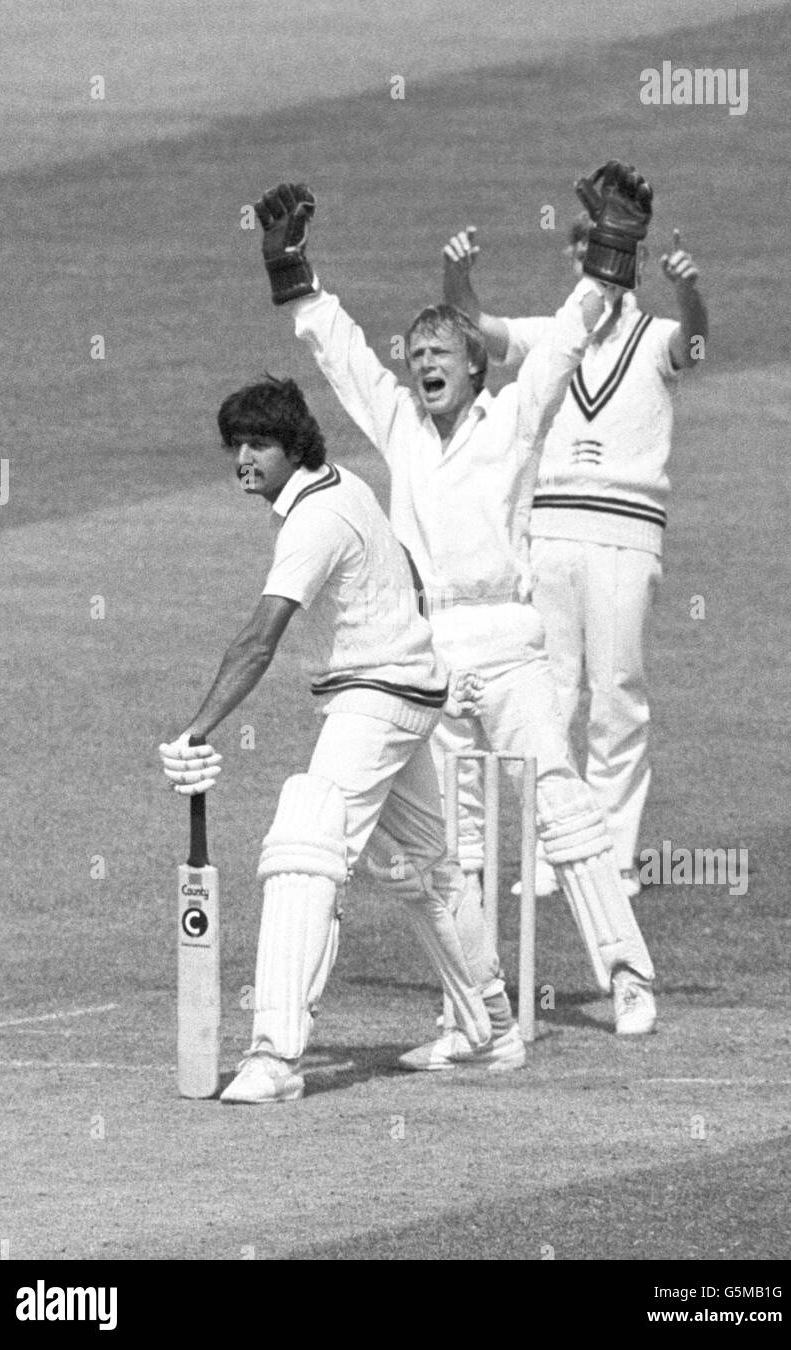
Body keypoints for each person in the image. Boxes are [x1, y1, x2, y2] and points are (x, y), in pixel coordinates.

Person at [254, 180, 657, 1053]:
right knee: (448, 846)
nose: (422, 363)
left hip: (510, 646)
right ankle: (472, 1015)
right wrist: (296, 277)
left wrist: (612, 254)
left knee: (559, 804)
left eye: (439, 351)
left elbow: (562, 344)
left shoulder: (513, 420)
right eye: (416, 353)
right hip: (429, 656)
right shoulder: (399, 427)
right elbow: (345, 358)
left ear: (474, 363)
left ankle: (625, 978)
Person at [159, 374, 527, 1104]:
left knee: (303, 847)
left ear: (294, 445)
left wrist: (197, 729)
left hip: (376, 701)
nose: (244, 458)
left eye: (259, 443)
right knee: (427, 870)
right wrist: (419, 653)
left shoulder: (313, 519)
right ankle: (491, 1031)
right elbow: (409, 573)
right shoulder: (346, 487)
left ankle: (276, 1054)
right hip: (406, 692)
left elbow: (260, 639)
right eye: (236, 445)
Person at [442, 187, 708, 898]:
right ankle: (549, 854)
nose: (601, 256)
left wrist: (690, 293)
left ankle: (614, 859)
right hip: (549, 530)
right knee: (549, 697)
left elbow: (695, 345)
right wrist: (457, 277)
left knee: (618, 692)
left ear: (637, 257)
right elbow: (474, 329)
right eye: (587, 245)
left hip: (626, 531)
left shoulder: (654, 335)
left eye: (613, 245)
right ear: (574, 256)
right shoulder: (550, 332)